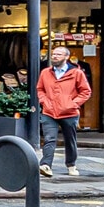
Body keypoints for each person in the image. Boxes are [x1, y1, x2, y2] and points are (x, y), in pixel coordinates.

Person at [36, 44, 91, 178]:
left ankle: (71, 165)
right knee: (49, 139)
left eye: (58, 54)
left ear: (66, 57)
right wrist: (44, 101)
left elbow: (85, 92)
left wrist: (73, 104)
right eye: (54, 54)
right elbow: (40, 89)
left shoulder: (76, 73)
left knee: (70, 140)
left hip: (69, 112)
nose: (54, 56)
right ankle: (46, 165)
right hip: (49, 111)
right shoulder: (45, 72)